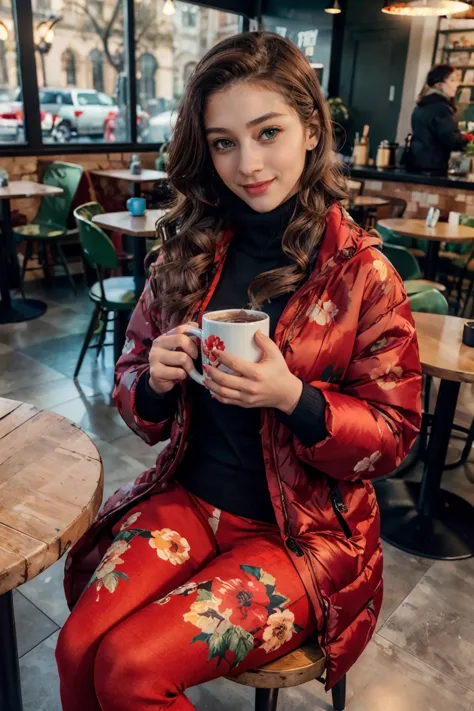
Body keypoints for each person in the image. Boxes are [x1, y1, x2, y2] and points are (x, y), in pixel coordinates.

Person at [56, 32, 422, 711]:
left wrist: (294, 397)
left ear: (311, 129)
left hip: (303, 534)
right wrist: (155, 380)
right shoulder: (189, 251)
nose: (247, 163)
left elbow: (395, 435)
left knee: (131, 670)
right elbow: (132, 382)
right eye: (224, 142)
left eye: (268, 132)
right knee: (77, 647)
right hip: (188, 498)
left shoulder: (364, 274)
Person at [408, 64, 473, 175]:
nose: (457, 85)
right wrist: (468, 138)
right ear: (439, 85)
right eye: (452, 80)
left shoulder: (422, 105)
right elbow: (452, 140)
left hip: (416, 164)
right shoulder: (441, 108)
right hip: (434, 168)